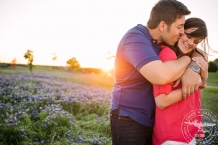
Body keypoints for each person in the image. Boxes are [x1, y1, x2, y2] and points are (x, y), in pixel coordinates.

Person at [110, 0, 208, 144]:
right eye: (180, 27)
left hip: (154, 120)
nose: (182, 32)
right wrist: (188, 62)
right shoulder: (135, 39)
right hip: (130, 119)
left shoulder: (163, 42)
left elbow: (197, 52)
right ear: (163, 25)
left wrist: (194, 66)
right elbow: (160, 76)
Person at [153, 17, 209, 145]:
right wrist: (198, 83)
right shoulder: (168, 55)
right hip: (172, 135)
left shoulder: (192, 57)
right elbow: (162, 101)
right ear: (180, 30)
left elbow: (201, 83)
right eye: (188, 36)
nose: (191, 43)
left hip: (186, 133)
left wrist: (201, 75)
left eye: (196, 41)